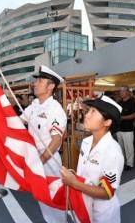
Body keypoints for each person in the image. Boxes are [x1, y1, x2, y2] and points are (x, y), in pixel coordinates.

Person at [60, 95, 124, 223]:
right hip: (83, 203)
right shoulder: (86, 142)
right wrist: (74, 176)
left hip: (102, 213)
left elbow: (107, 193)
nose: (87, 115)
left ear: (107, 122)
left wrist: (74, 183)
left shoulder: (113, 152)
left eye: (93, 112)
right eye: (89, 110)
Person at [20, 65, 67, 223]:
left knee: (53, 201)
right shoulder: (34, 106)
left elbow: (56, 141)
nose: (35, 83)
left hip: (49, 162)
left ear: (51, 86)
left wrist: (39, 162)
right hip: (36, 159)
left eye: (40, 80)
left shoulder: (55, 109)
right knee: (42, 200)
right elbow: (18, 122)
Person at [117, 86, 135, 171]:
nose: (121, 92)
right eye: (120, 91)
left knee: (129, 148)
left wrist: (122, 118)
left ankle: (129, 163)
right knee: (120, 148)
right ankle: (123, 162)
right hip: (119, 129)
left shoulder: (132, 102)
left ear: (128, 92)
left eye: (123, 91)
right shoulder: (120, 102)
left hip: (128, 129)